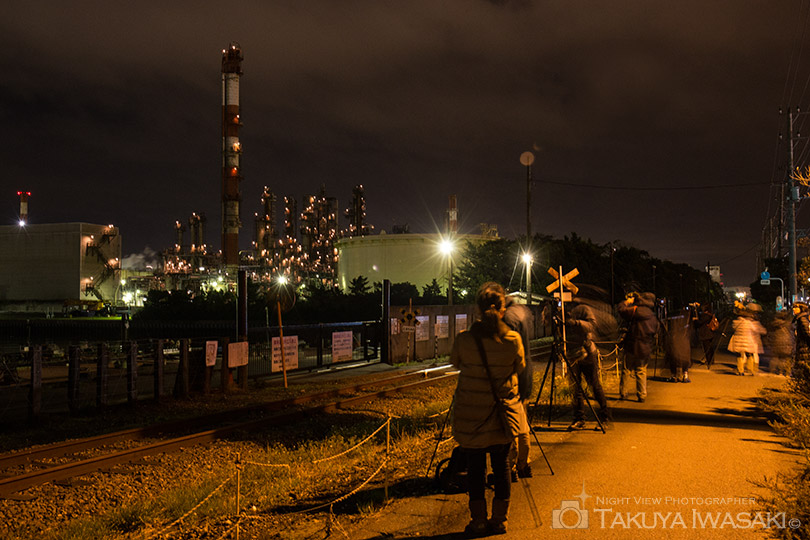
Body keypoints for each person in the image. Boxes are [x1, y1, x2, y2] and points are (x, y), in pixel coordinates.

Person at [451, 282, 527, 537]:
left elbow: (455, 363)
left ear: (478, 310)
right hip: (500, 415)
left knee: (475, 469)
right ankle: (499, 521)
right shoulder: (512, 339)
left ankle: (478, 521)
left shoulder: (464, 339)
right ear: (503, 309)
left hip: (471, 416)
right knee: (502, 465)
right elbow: (519, 367)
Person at [563, 298, 611, 429]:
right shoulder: (561, 311)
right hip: (572, 352)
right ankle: (579, 419)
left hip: (587, 351)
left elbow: (592, 325)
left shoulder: (583, 309)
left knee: (594, 385)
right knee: (576, 389)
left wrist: (576, 323)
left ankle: (604, 418)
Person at [502, 295, 534, 480]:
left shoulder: (508, 318)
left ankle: (512, 466)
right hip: (526, 372)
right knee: (523, 422)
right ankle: (525, 463)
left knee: (512, 423)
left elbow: (508, 348)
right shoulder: (522, 311)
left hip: (515, 374)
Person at [618, 292, 659, 402]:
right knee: (641, 371)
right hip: (645, 347)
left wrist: (627, 302)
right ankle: (642, 395)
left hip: (632, 345)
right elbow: (655, 330)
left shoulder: (635, 310)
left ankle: (623, 393)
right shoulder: (652, 316)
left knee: (626, 369)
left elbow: (621, 310)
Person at [727, 306, 766, 376]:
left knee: (739, 356)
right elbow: (755, 329)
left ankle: (740, 370)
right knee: (749, 354)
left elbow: (733, 329)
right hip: (748, 340)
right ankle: (750, 369)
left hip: (737, 341)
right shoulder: (748, 323)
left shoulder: (735, 322)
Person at [664, 308, 692, 383]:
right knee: (685, 356)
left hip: (674, 338)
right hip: (683, 338)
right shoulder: (686, 316)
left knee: (674, 356)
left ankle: (674, 375)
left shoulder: (671, 315)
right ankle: (685, 375)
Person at [694, 304, 718, 368]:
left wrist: (695, 320)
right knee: (710, 347)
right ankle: (711, 360)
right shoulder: (710, 315)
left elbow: (699, 322)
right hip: (710, 333)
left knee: (706, 348)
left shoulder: (704, 316)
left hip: (705, 333)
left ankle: (709, 360)